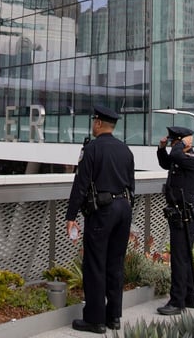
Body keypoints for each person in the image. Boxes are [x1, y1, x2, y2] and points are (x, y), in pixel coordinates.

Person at [64, 106, 135, 334]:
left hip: (102, 211)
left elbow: (81, 184)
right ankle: (114, 316)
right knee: (116, 263)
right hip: (124, 209)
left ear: (98, 123)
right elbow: (131, 185)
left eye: (94, 121)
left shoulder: (92, 149)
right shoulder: (126, 150)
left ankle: (95, 319)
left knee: (95, 264)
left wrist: (71, 216)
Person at [156, 126, 194, 315]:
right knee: (184, 257)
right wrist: (161, 148)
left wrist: (181, 144)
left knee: (179, 259)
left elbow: (175, 156)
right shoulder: (180, 160)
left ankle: (177, 302)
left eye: (174, 142)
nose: (172, 146)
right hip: (177, 215)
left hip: (185, 216)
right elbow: (166, 163)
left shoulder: (193, 160)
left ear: (184, 142)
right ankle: (190, 298)